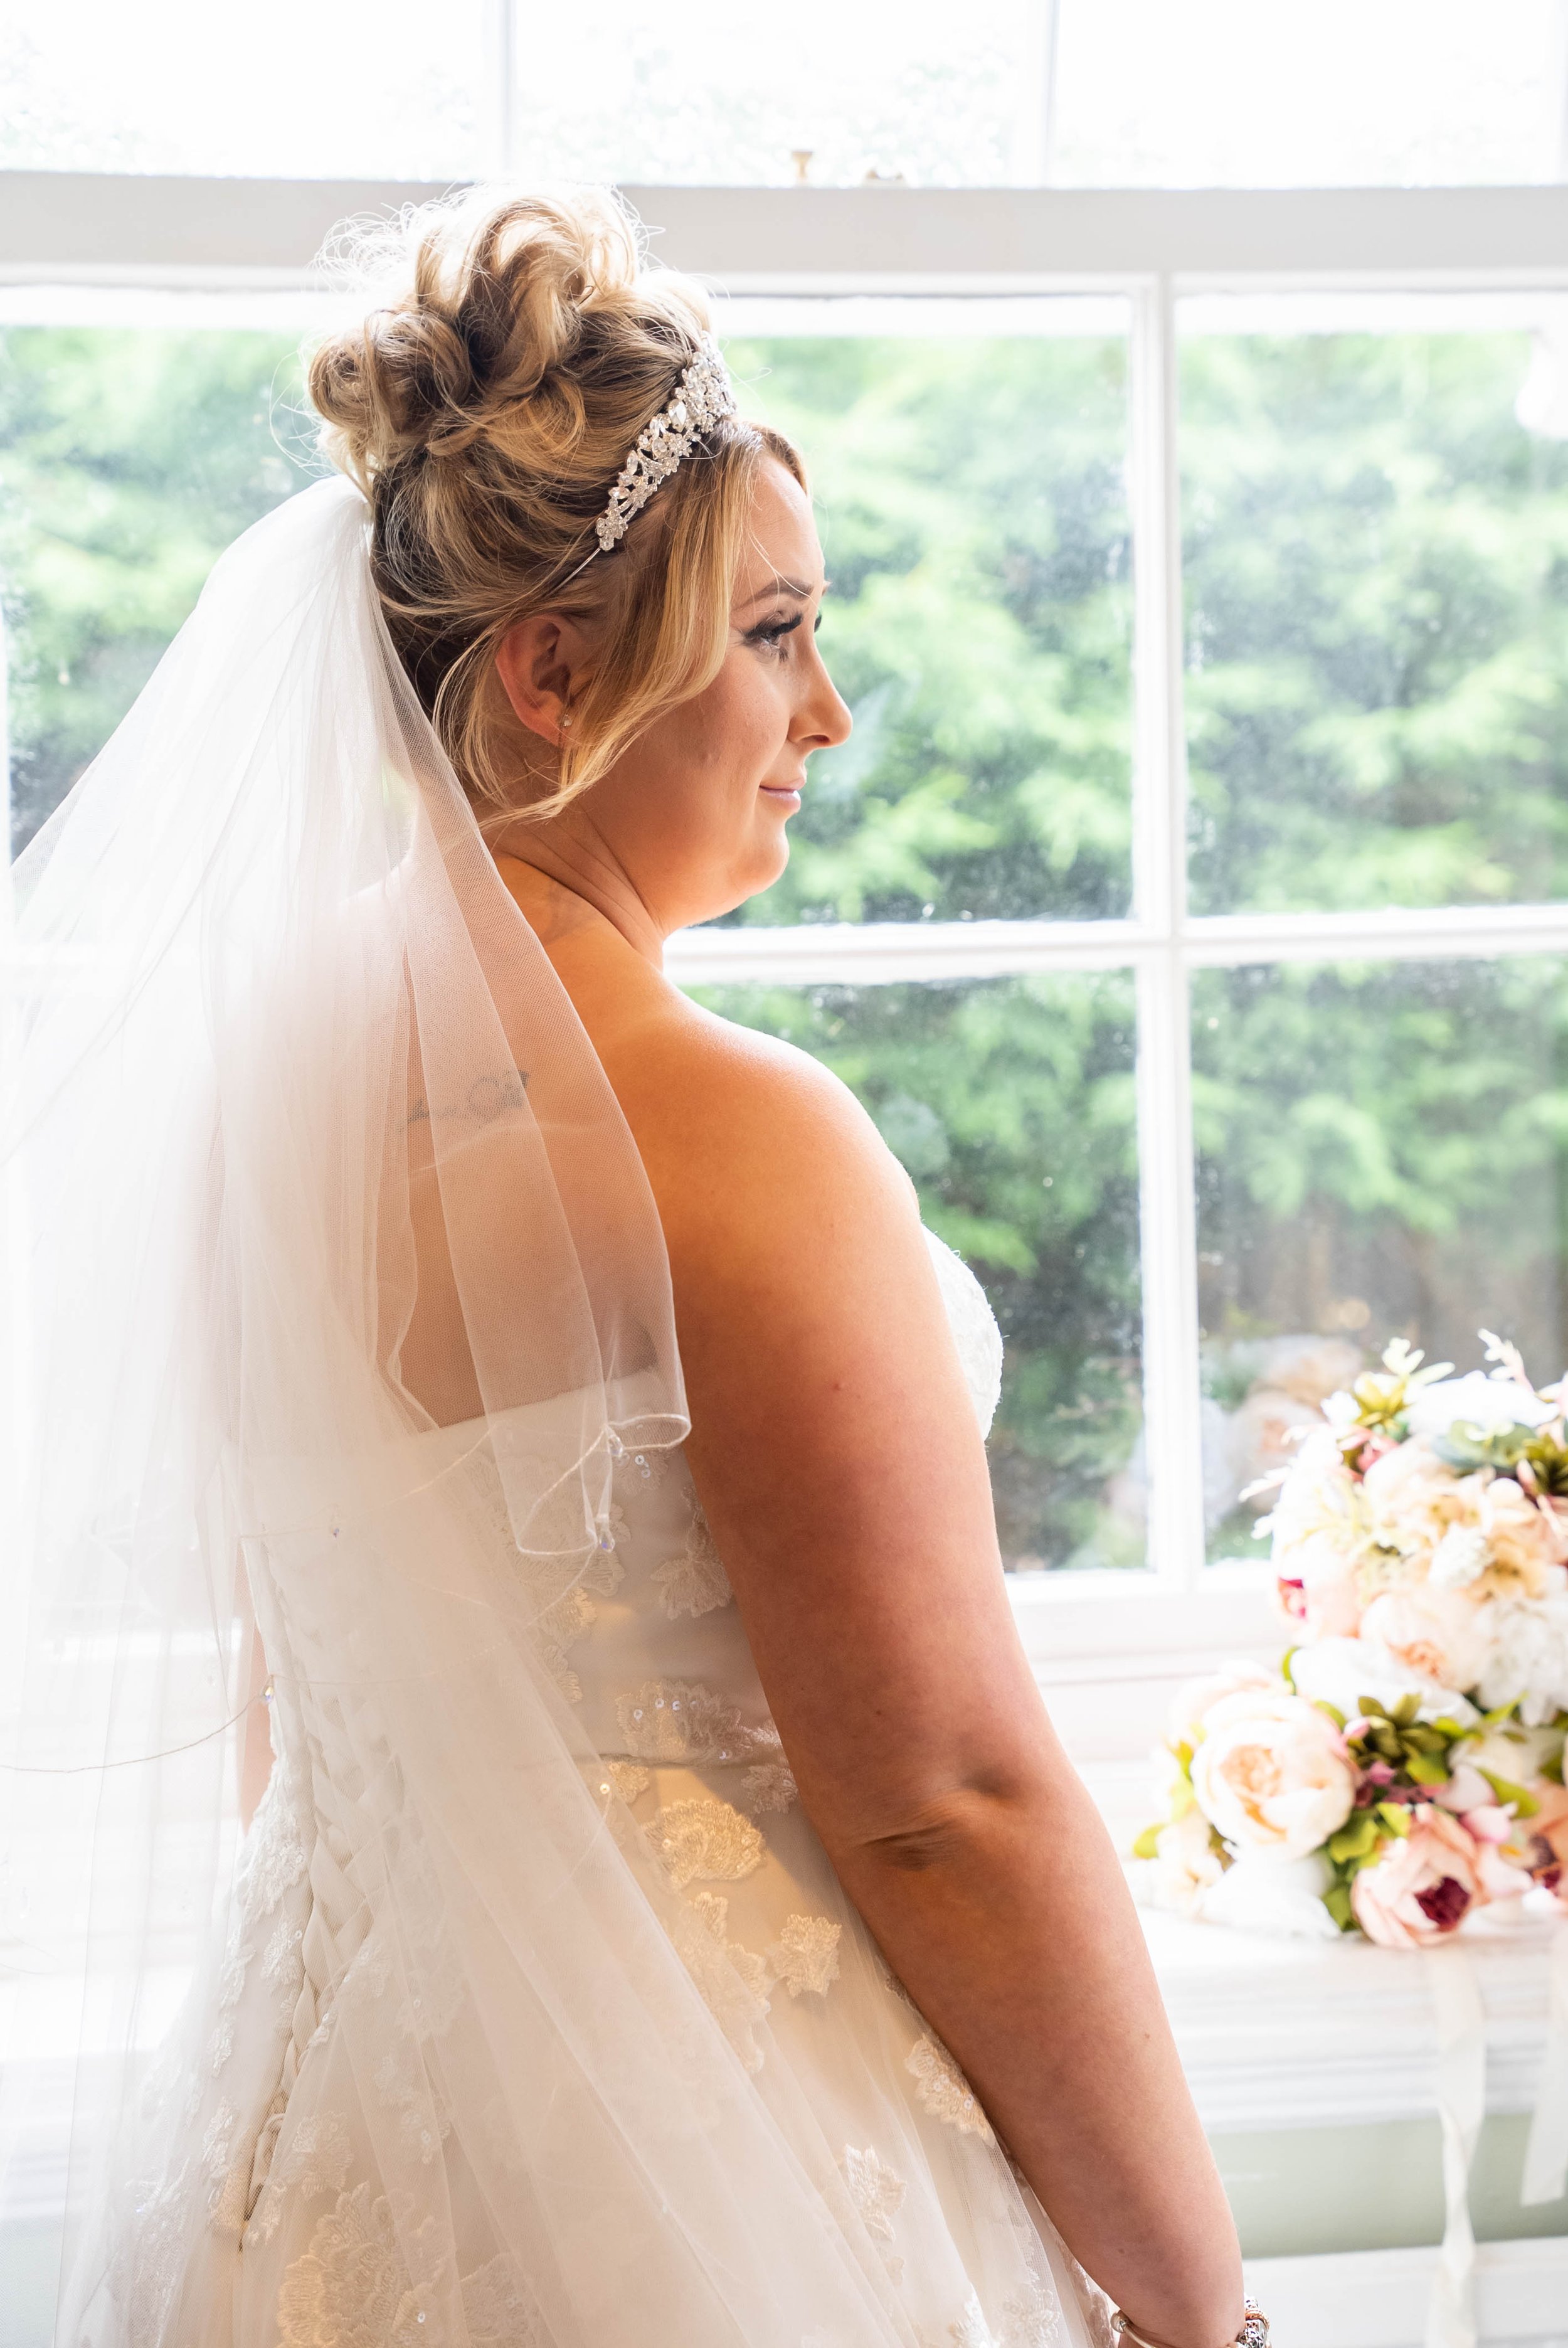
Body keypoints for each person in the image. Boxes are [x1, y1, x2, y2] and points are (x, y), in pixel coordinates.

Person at [0, 185, 1256, 2348]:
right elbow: (945, 1800)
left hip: (306, 2162)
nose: (830, 714)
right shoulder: (731, 1134)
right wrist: (1197, 2311)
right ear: (556, 672)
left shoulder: (256, 1107)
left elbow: (304, 1717)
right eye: (772, 634)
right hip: (714, 2180)